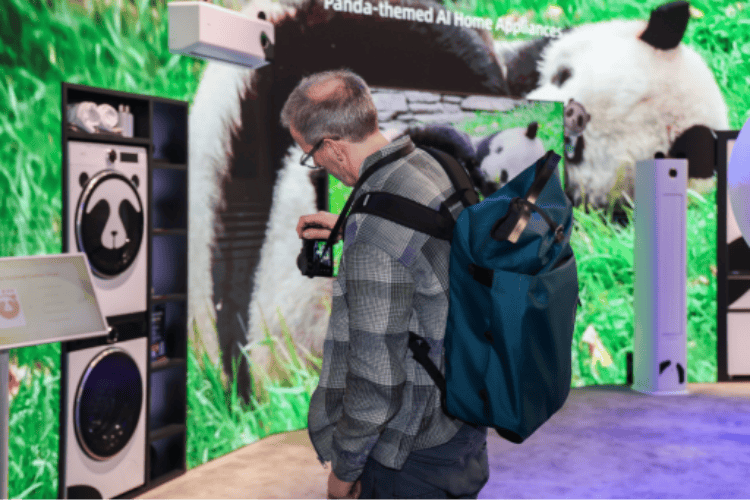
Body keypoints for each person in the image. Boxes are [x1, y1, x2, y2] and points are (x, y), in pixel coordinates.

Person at [280, 69, 490, 500]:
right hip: (463, 415)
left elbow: (376, 381)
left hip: (411, 454)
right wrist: (351, 229)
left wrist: (344, 472)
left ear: (333, 148)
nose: (318, 165)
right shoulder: (434, 163)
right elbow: (436, 250)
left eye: (311, 156)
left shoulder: (377, 228)